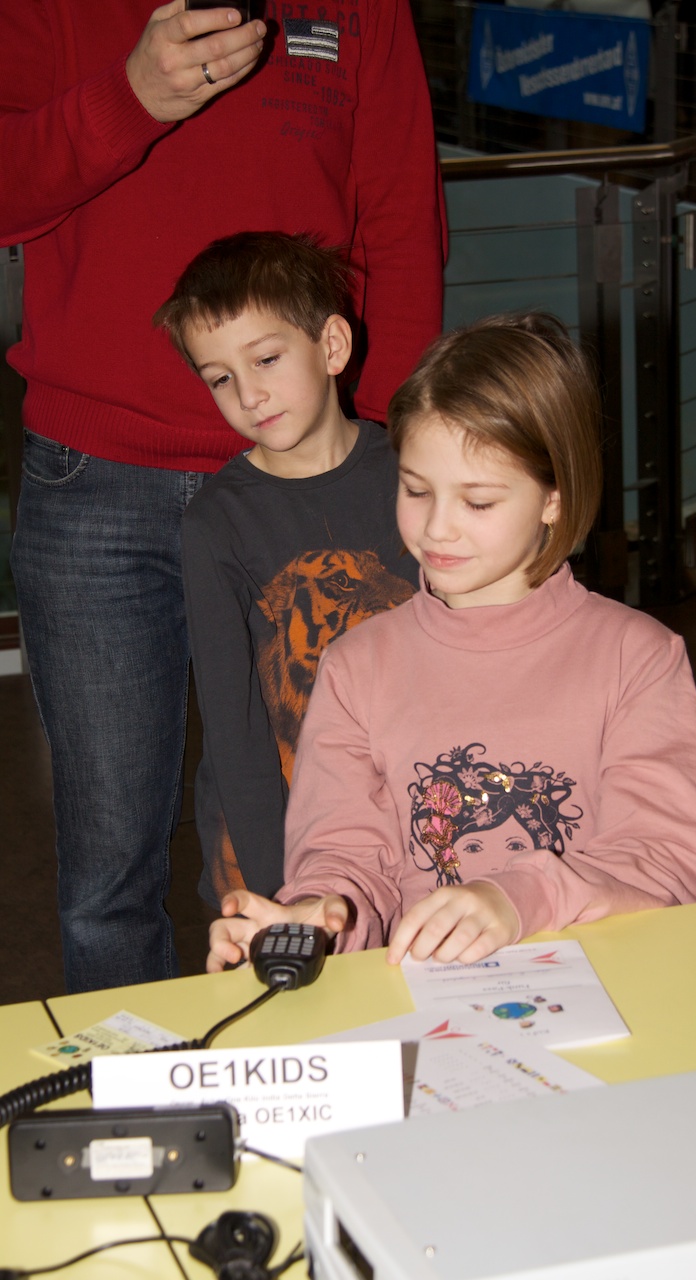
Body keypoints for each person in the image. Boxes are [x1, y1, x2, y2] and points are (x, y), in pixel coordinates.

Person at [1, 0, 445, 992]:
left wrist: (388, 460)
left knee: (363, 817)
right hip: (97, 475)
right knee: (108, 866)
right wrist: (129, 98)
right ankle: (138, 1084)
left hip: (316, 480)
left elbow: (400, 221)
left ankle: (342, 1059)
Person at [207, 313, 696, 971]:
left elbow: (663, 861)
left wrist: (517, 897)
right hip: (427, 996)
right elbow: (344, 855)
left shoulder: (636, 657)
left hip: (605, 984)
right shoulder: (356, 665)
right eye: (416, 490)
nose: (437, 528)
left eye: (477, 502)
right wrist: (320, 913)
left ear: (554, 498)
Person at [154, 230, 420, 906]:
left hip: (416, 820)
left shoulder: (417, 476)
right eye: (220, 378)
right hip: (274, 837)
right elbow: (233, 723)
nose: (249, 395)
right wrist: (280, 890)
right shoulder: (215, 523)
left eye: (266, 359)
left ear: (332, 346)